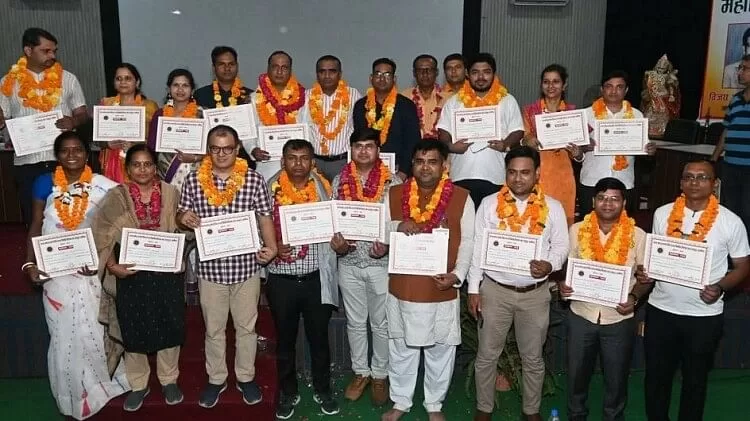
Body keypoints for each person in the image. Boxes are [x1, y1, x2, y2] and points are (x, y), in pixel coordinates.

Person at [21, 131, 127, 419]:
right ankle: (71, 395)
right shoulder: (44, 183)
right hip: (54, 270)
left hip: (90, 269)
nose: (72, 155)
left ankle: (102, 386)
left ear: (86, 153)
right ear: (57, 155)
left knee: (93, 326)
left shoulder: (103, 185)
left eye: (78, 149)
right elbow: (36, 223)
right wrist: (29, 264)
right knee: (63, 332)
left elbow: (117, 227)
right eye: (65, 150)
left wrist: (104, 260)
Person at [177, 125, 278, 408]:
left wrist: (271, 248)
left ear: (237, 149)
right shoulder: (194, 180)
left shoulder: (254, 179)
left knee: (247, 328)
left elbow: (265, 217)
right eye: (215, 148)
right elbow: (181, 214)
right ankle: (216, 378)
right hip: (210, 270)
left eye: (227, 148)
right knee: (213, 329)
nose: (221, 154)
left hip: (246, 268)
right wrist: (183, 218)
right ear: (208, 150)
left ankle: (246, 377)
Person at [642, 160, 750, 421]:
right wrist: (646, 272)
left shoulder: (730, 221)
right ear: (680, 183)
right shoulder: (662, 214)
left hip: (703, 315)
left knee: (695, 380)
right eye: (688, 176)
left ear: (715, 184)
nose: (694, 181)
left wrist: (720, 287)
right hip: (661, 310)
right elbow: (655, 258)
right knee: (656, 377)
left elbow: (743, 266)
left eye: (702, 177)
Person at [468, 146, 569, 421]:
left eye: (525, 172)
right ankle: (484, 408)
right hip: (495, 291)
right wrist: (474, 289)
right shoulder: (489, 204)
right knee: (486, 355)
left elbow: (561, 246)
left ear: (537, 173)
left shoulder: (553, 207)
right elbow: (478, 249)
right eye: (512, 172)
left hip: (535, 294)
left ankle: (531, 410)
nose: (518, 178)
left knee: (533, 357)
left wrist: (550, 264)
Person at [382, 140, 475, 421]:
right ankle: (401, 401)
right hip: (403, 287)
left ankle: (434, 404)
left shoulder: (461, 197)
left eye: (432, 162)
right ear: (412, 164)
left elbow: (468, 242)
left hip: (441, 287)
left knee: (440, 349)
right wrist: (398, 225)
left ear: (444, 165)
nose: (425, 167)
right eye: (420, 161)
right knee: (401, 347)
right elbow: (380, 230)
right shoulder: (394, 194)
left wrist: (457, 275)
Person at [92, 144, 185, 411]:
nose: (142, 170)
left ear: (155, 168)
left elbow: (183, 230)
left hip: (165, 273)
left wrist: (179, 248)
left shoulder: (171, 193)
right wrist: (112, 266)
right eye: (136, 164)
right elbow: (101, 233)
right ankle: (138, 384)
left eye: (147, 164)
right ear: (128, 168)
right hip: (130, 273)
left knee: (169, 324)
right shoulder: (116, 196)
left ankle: (169, 380)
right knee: (133, 327)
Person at [559, 177, 649, 421]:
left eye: (614, 199)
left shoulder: (638, 235)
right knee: (576, 377)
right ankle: (576, 417)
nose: (607, 203)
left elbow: (645, 278)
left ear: (624, 203)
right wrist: (563, 286)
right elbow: (565, 268)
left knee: (616, 380)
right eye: (602, 198)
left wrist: (634, 297)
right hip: (581, 313)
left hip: (619, 318)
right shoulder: (576, 230)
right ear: (593, 201)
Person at [266, 139, 339, 419]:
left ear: (313, 162)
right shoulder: (269, 189)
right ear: (283, 161)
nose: (298, 163)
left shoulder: (324, 190)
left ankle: (323, 389)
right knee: (284, 341)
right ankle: (288, 392)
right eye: (292, 158)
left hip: (315, 278)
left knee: (319, 339)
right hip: (281, 279)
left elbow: (336, 225)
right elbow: (258, 226)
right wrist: (274, 245)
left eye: (304, 158)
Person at [330, 128, 396, 406]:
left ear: (378, 150)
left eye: (370, 146)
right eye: (358, 146)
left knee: (381, 323)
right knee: (355, 322)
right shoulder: (339, 179)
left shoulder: (393, 181)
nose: (364, 151)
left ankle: (380, 375)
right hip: (349, 262)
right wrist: (339, 244)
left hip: (380, 264)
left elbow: (399, 223)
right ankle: (361, 373)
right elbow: (334, 220)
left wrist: (388, 246)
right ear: (351, 150)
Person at [0, 28, 87, 225]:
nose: (52, 56)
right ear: (28, 51)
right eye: (46, 51)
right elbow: (2, 118)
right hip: (27, 163)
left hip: (65, 160)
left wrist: (74, 121)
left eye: (54, 51)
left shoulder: (68, 79)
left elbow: (82, 113)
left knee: (70, 217)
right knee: (34, 220)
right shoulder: (7, 82)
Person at [437, 52, 525, 209]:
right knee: (463, 221)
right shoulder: (454, 102)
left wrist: (505, 144)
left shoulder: (507, 100)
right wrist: (451, 146)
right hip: (461, 174)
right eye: (475, 72)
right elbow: (443, 131)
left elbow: (518, 131)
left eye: (486, 72)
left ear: (494, 74)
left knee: (492, 219)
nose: (481, 77)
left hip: (496, 175)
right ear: (467, 74)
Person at [580, 70, 656, 219]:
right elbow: (576, 154)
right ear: (602, 89)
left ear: (626, 90)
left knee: (622, 228)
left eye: (619, 87)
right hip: (592, 181)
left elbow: (644, 150)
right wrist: (582, 148)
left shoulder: (637, 115)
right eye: (609, 86)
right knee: (587, 227)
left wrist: (649, 151)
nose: (614, 91)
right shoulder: (586, 114)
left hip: (624, 182)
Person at [522, 64, 582, 225]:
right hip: (536, 175)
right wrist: (526, 140)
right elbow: (523, 140)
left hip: (563, 177)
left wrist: (578, 154)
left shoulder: (572, 114)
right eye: (546, 82)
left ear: (564, 85)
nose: (550, 86)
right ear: (541, 85)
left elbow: (580, 153)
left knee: (561, 224)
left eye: (556, 81)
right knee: (534, 223)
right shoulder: (529, 111)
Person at [353, 57, 421, 181]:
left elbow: (412, 141)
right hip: (366, 172)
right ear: (371, 78)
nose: (382, 78)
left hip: (399, 171)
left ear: (394, 79)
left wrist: (403, 172)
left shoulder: (406, 105)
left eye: (387, 75)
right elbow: (358, 141)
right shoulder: (361, 106)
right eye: (378, 74)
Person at [297, 55, 361, 181]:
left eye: (332, 71)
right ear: (317, 74)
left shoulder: (353, 95)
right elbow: (300, 128)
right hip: (314, 162)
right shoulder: (306, 96)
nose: (327, 76)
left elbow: (359, 128)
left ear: (340, 74)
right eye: (322, 71)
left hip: (343, 162)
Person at [247, 51, 307, 181]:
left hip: (297, 164)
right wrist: (253, 149)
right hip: (266, 164)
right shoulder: (254, 98)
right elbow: (248, 131)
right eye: (275, 67)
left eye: (284, 67)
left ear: (290, 70)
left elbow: (308, 128)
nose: (279, 72)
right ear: (268, 68)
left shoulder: (302, 98)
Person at [97, 63, 159, 183]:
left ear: (137, 82)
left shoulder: (150, 106)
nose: (123, 82)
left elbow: (156, 140)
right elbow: (97, 141)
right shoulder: (106, 104)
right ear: (114, 82)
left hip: (140, 162)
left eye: (128, 78)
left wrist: (136, 145)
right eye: (118, 78)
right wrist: (107, 144)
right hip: (112, 163)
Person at [711, 53, 750, 238]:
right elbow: (726, 131)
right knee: (731, 211)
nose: (740, 72)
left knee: (748, 212)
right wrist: (714, 158)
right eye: (740, 68)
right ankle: (731, 249)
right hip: (730, 166)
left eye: (745, 69)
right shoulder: (735, 99)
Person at [147, 68, 204, 191]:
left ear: (192, 90)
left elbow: (212, 148)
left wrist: (194, 158)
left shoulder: (202, 114)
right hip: (165, 174)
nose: (180, 90)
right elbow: (151, 147)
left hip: (197, 173)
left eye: (185, 85)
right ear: (169, 89)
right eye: (176, 85)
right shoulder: (160, 114)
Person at [401, 54, 447, 140]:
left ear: (436, 72)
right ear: (414, 73)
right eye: (420, 70)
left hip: (441, 147)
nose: (425, 74)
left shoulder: (448, 98)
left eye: (429, 69)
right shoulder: (403, 98)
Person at [641, 54, 681, 137]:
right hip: (652, 99)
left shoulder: (668, 76)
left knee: (663, 117)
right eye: (659, 67)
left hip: (662, 99)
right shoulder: (649, 74)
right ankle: (648, 132)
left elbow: (671, 87)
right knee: (649, 115)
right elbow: (646, 86)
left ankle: (661, 133)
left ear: (667, 68)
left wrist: (671, 95)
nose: (660, 69)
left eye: (663, 68)